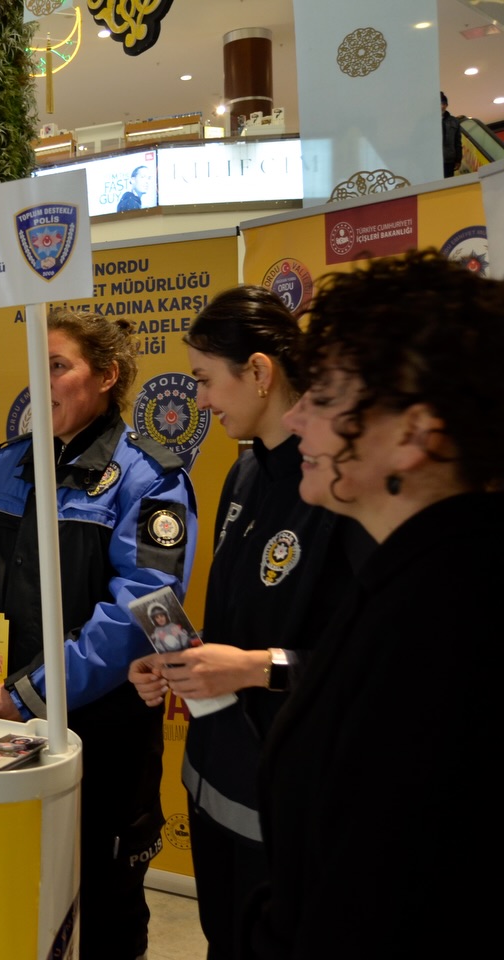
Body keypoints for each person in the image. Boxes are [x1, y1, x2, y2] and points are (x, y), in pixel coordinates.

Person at [245, 251, 501, 958]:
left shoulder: (442, 628)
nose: (296, 416)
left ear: (416, 434)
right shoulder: (416, 581)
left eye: (325, 396)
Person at [0, 311, 198, 960]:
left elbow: (144, 610)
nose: (42, 378)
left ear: (107, 376)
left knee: (104, 913)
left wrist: (31, 693)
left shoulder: (151, 477)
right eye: (38, 365)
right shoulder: (5, 468)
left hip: (101, 736)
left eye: (58, 365)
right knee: (7, 902)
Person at [125, 286, 366, 960]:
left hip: (288, 803)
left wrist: (257, 668)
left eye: (206, 380)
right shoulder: (242, 476)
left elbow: (370, 666)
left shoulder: (338, 492)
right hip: (211, 786)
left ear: (259, 371)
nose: (200, 401)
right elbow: (237, 628)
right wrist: (182, 660)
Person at [441, 91, 463, 178]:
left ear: (446, 105)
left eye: (443, 104)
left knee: (448, 183)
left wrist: (458, 159)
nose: (441, 106)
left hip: (449, 160)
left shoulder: (454, 121)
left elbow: (457, 142)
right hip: (432, 160)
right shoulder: (427, 121)